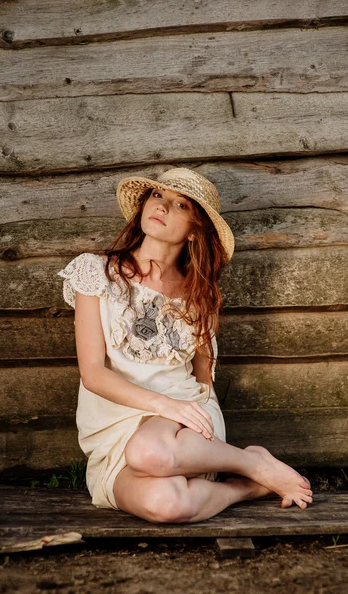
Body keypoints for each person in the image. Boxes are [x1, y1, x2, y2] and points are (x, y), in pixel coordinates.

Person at [57, 167, 313, 523]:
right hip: (116, 429)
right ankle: (251, 480)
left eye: (180, 205)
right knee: (167, 504)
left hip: (184, 423)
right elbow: (93, 374)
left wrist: (189, 419)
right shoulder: (96, 273)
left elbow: (202, 379)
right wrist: (163, 406)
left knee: (149, 451)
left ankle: (245, 462)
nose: (161, 206)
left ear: (195, 231)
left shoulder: (199, 297)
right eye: (158, 196)